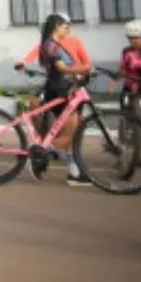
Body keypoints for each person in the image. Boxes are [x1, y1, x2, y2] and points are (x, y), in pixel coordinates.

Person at [37, 13, 91, 186]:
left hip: (65, 89)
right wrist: (84, 69)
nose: (67, 30)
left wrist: (81, 72)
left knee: (72, 132)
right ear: (56, 27)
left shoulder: (56, 44)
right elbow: (61, 68)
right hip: (59, 91)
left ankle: (74, 171)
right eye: (65, 27)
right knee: (71, 134)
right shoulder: (50, 45)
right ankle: (41, 152)